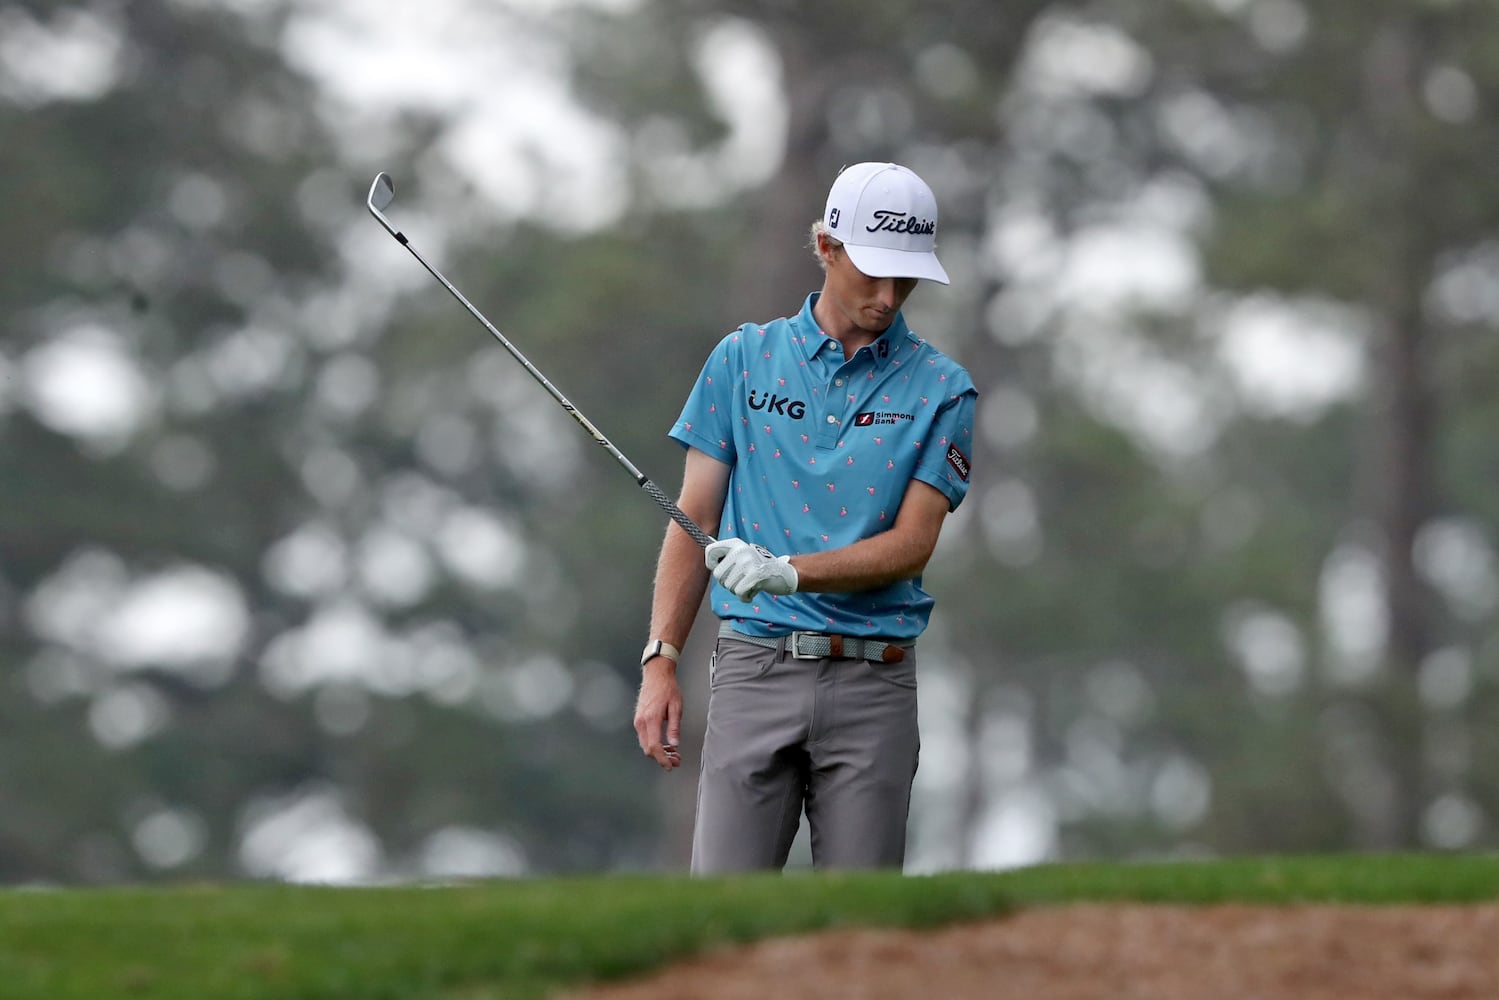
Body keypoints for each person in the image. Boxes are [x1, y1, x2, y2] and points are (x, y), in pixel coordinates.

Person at [632, 162, 977, 873]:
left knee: (860, 938)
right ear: (826, 246)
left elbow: (913, 544)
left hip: (872, 683)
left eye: (904, 280)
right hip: (754, 670)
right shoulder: (742, 359)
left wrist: (788, 572)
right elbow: (691, 514)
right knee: (723, 921)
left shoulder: (943, 388)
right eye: (871, 274)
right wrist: (661, 659)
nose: (887, 298)